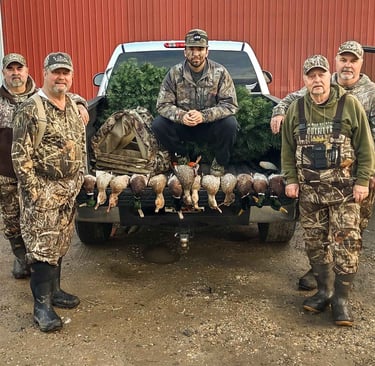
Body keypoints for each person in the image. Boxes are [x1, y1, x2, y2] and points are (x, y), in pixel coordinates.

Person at [270, 41, 375, 290]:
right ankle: (322, 276)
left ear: (361, 63)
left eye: (353, 60)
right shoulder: (322, 84)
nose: (348, 65)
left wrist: (367, 174)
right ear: (335, 63)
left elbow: (368, 140)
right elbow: (290, 101)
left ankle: (343, 281)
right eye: (343, 59)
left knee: (350, 231)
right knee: (319, 229)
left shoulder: (370, 94)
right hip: (320, 177)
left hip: (357, 174)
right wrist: (279, 112)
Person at [12, 52, 87, 332]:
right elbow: (20, 156)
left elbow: (79, 145)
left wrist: (78, 181)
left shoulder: (70, 105)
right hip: (43, 191)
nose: (61, 77)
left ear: (71, 76)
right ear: (45, 72)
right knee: (43, 249)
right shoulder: (31, 109)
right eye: (56, 72)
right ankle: (41, 307)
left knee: (60, 243)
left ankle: (55, 291)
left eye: (66, 73)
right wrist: (35, 193)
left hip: (68, 191)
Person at [151, 28, 239, 176]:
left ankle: (220, 162)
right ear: (185, 51)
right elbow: (162, 105)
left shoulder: (220, 72)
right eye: (191, 48)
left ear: (207, 51)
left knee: (230, 124)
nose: (196, 53)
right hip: (183, 126)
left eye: (200, 49)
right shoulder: (174, 73)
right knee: (158, 124)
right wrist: (181, 116)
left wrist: (203, 116)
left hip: (209, 126)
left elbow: (230, 105)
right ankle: (182, 156)